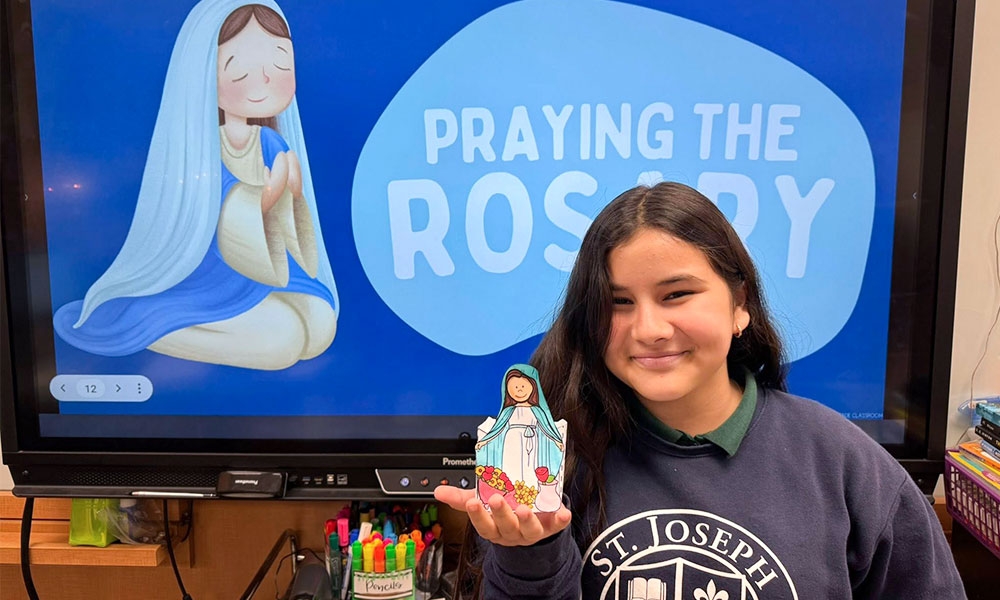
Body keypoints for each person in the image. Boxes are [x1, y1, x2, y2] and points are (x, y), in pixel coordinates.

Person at [435, 182, 965, 599]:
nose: (649, 329)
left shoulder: (847, 465)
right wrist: (529, 551)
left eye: (677, 294)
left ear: (740, 304)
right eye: (618, 302)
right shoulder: (553, 464)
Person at [53, 0, 338, 370]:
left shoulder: (270, 143)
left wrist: (289, 193)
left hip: (267, 267)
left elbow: (291, 218)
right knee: (281, 344)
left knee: (320, 325)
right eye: (239, 68)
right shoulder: (200, 146)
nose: (264, 78)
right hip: (210, 270)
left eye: (281, 62)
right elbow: (213, 211)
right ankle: (151, 327)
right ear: (203, 71)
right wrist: (263, 199)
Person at [476, 366, 565, 497]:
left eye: (523, 386)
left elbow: (547, 428)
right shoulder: (508, 412)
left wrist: (557, 441)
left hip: (532, 442)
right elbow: (497, 429)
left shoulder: (538, 411)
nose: (519, 391)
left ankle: (529, 494)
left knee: (530, 467)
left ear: (533, 387)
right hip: (511, 442)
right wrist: (484, 442)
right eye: (515, 387)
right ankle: (512, 494)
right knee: (512, 467)